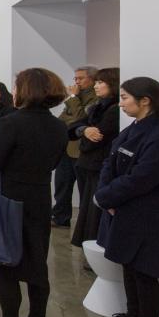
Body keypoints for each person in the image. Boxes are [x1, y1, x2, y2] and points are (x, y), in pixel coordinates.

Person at [0, 68, 68, 317]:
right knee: (37, 262)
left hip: (10, 199)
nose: (13, 92)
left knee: (8, 264)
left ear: (26, 91)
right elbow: (53, 163)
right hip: (40, 198)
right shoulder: (58, 127)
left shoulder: (12, 123)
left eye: (16, 87)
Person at [94, 77, 159, 317]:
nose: (120, 103)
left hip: (146, 213)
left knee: (144, 269)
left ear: (145, 101)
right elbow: (110, 162)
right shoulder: (134, 129)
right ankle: (133, 315)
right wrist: (106, 196)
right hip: (124, 209)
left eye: (124, 98)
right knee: (129, 264)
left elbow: (143, 178)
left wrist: (107, 197)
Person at [70, 67, 120, 248]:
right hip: (87, 164)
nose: (96, 86)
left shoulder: (113, 110)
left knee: (94, 211)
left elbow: (97, 138)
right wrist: (83, 130)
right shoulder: (98, 106)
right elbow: (71, 126)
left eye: (100, 82)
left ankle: (95, 248)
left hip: (98, 164)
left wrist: (82, 131)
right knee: (88, 209)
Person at [52, 66, 99, 228]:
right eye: (75, 78)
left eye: (80, 78)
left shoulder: (94, 98)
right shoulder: (76, 99)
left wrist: (72, 97)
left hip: (81, 150)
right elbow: (62, 119)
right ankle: (60, 217)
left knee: (84, 188)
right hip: (66, 147)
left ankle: (84, 223)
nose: (76, 82)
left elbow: (80, 118)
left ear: (92, 80)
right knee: (62, 185)